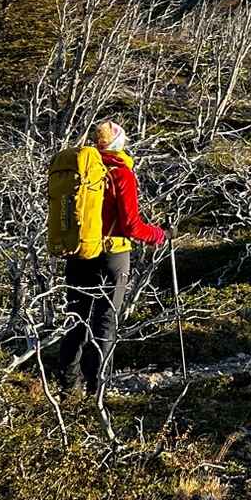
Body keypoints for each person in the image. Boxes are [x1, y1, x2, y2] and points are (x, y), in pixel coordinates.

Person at [45, 121, 166, 396]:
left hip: (79, 252)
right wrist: (160, 235)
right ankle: (96, 390)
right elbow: (132, 226)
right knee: (105, 321)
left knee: (77, 317)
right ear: (118, 143)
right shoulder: (121, 174)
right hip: (112, 255)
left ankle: (67, 387)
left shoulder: (82, 171)